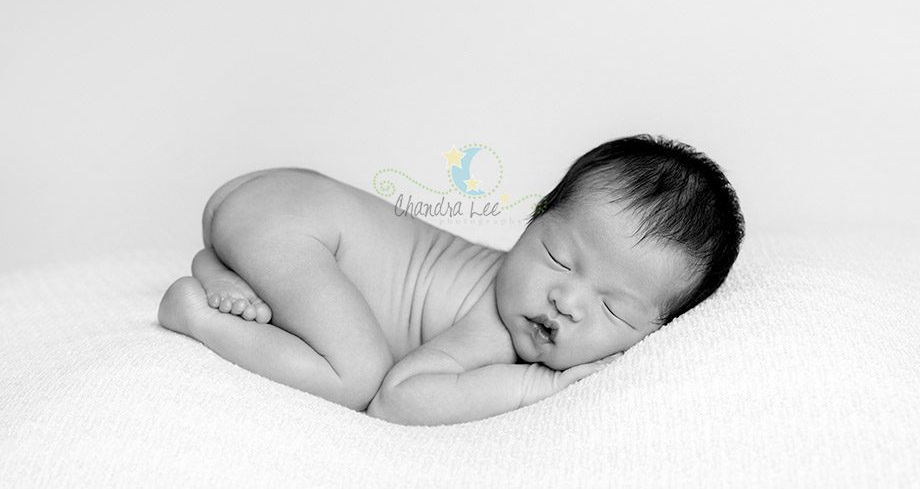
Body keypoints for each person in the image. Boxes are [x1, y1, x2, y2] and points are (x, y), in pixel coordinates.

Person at [157, 134, 745, 426]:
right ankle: (194, 309)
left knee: (321, 310)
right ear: (533, 220)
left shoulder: (531, 294)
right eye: (559, 259)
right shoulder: (496, 323)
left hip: (280, 204)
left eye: (614, 311)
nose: (565, 300)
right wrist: (534, 389)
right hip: (301, 223)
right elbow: (396, 399)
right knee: (355, 373)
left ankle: (226, 266)